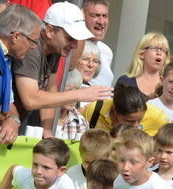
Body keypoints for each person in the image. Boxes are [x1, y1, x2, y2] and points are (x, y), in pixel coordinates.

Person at [12, 2, 112, 137]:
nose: (75, 45)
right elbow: (30, 99)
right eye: (70, 38)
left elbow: (51, 89)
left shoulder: (55, 50)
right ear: (49, 31)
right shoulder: (32, 48)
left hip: (15, 120)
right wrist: (80, 94)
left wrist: (47, 132)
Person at [0, 5, 41, 143]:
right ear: (16, 36)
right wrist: (7, 120)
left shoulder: (5, 58)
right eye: (33, 41)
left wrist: (13, 119)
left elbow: (8, 102)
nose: (34, 47)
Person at [83, 83, 169, 136]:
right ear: (115, 111)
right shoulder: (95, 110)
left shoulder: (158, 118)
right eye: (130, 121)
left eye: (140, 119)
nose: (135, 125)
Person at [115, 32, 169, 98]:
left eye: (163, 50)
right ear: (141, 54)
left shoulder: (168, 87)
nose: (159, 52)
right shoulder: (125, 82)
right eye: (154, 48)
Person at [82, 0, 113, 87]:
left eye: (105, 16)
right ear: (82, 16)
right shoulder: (71, 47)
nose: (101, 22)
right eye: (95, 15)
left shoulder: (106, 51)